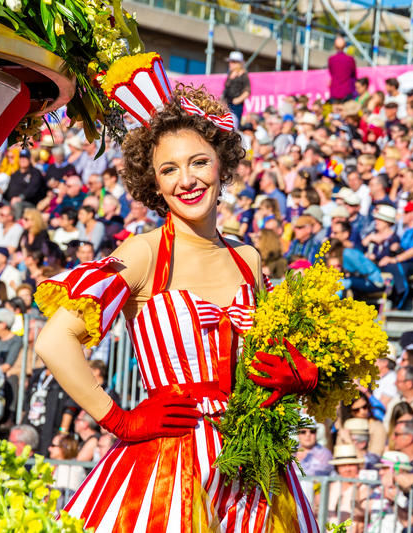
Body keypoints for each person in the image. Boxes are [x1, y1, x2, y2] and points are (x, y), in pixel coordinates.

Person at [33, 85, 318, 531]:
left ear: (222, 165)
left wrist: (299, 375)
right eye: (169, 169)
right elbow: (54, 339)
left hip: (256, 473)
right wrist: (120, 420)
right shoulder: (143, 253)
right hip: (169, 470)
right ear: (155, 183)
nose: (186, 180)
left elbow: (266, 357)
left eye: (199, 162)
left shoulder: (248, 257)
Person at [222, 51, 250, 124]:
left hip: (235, 106)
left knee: (233, 124)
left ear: (239, 63)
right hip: (227, 104)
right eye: (230, 62)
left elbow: (247, 91)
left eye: (233, 62)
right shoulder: (231, 74)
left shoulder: (243, 75)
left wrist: (237, 100)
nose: (230, 64)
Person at [328, 35, 357, 102]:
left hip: (334, 91)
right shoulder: (350, 59)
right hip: (347, 92)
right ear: (345, 46)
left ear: (335, 46)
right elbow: (354, 75)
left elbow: (331, 73)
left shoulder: (332, 59)